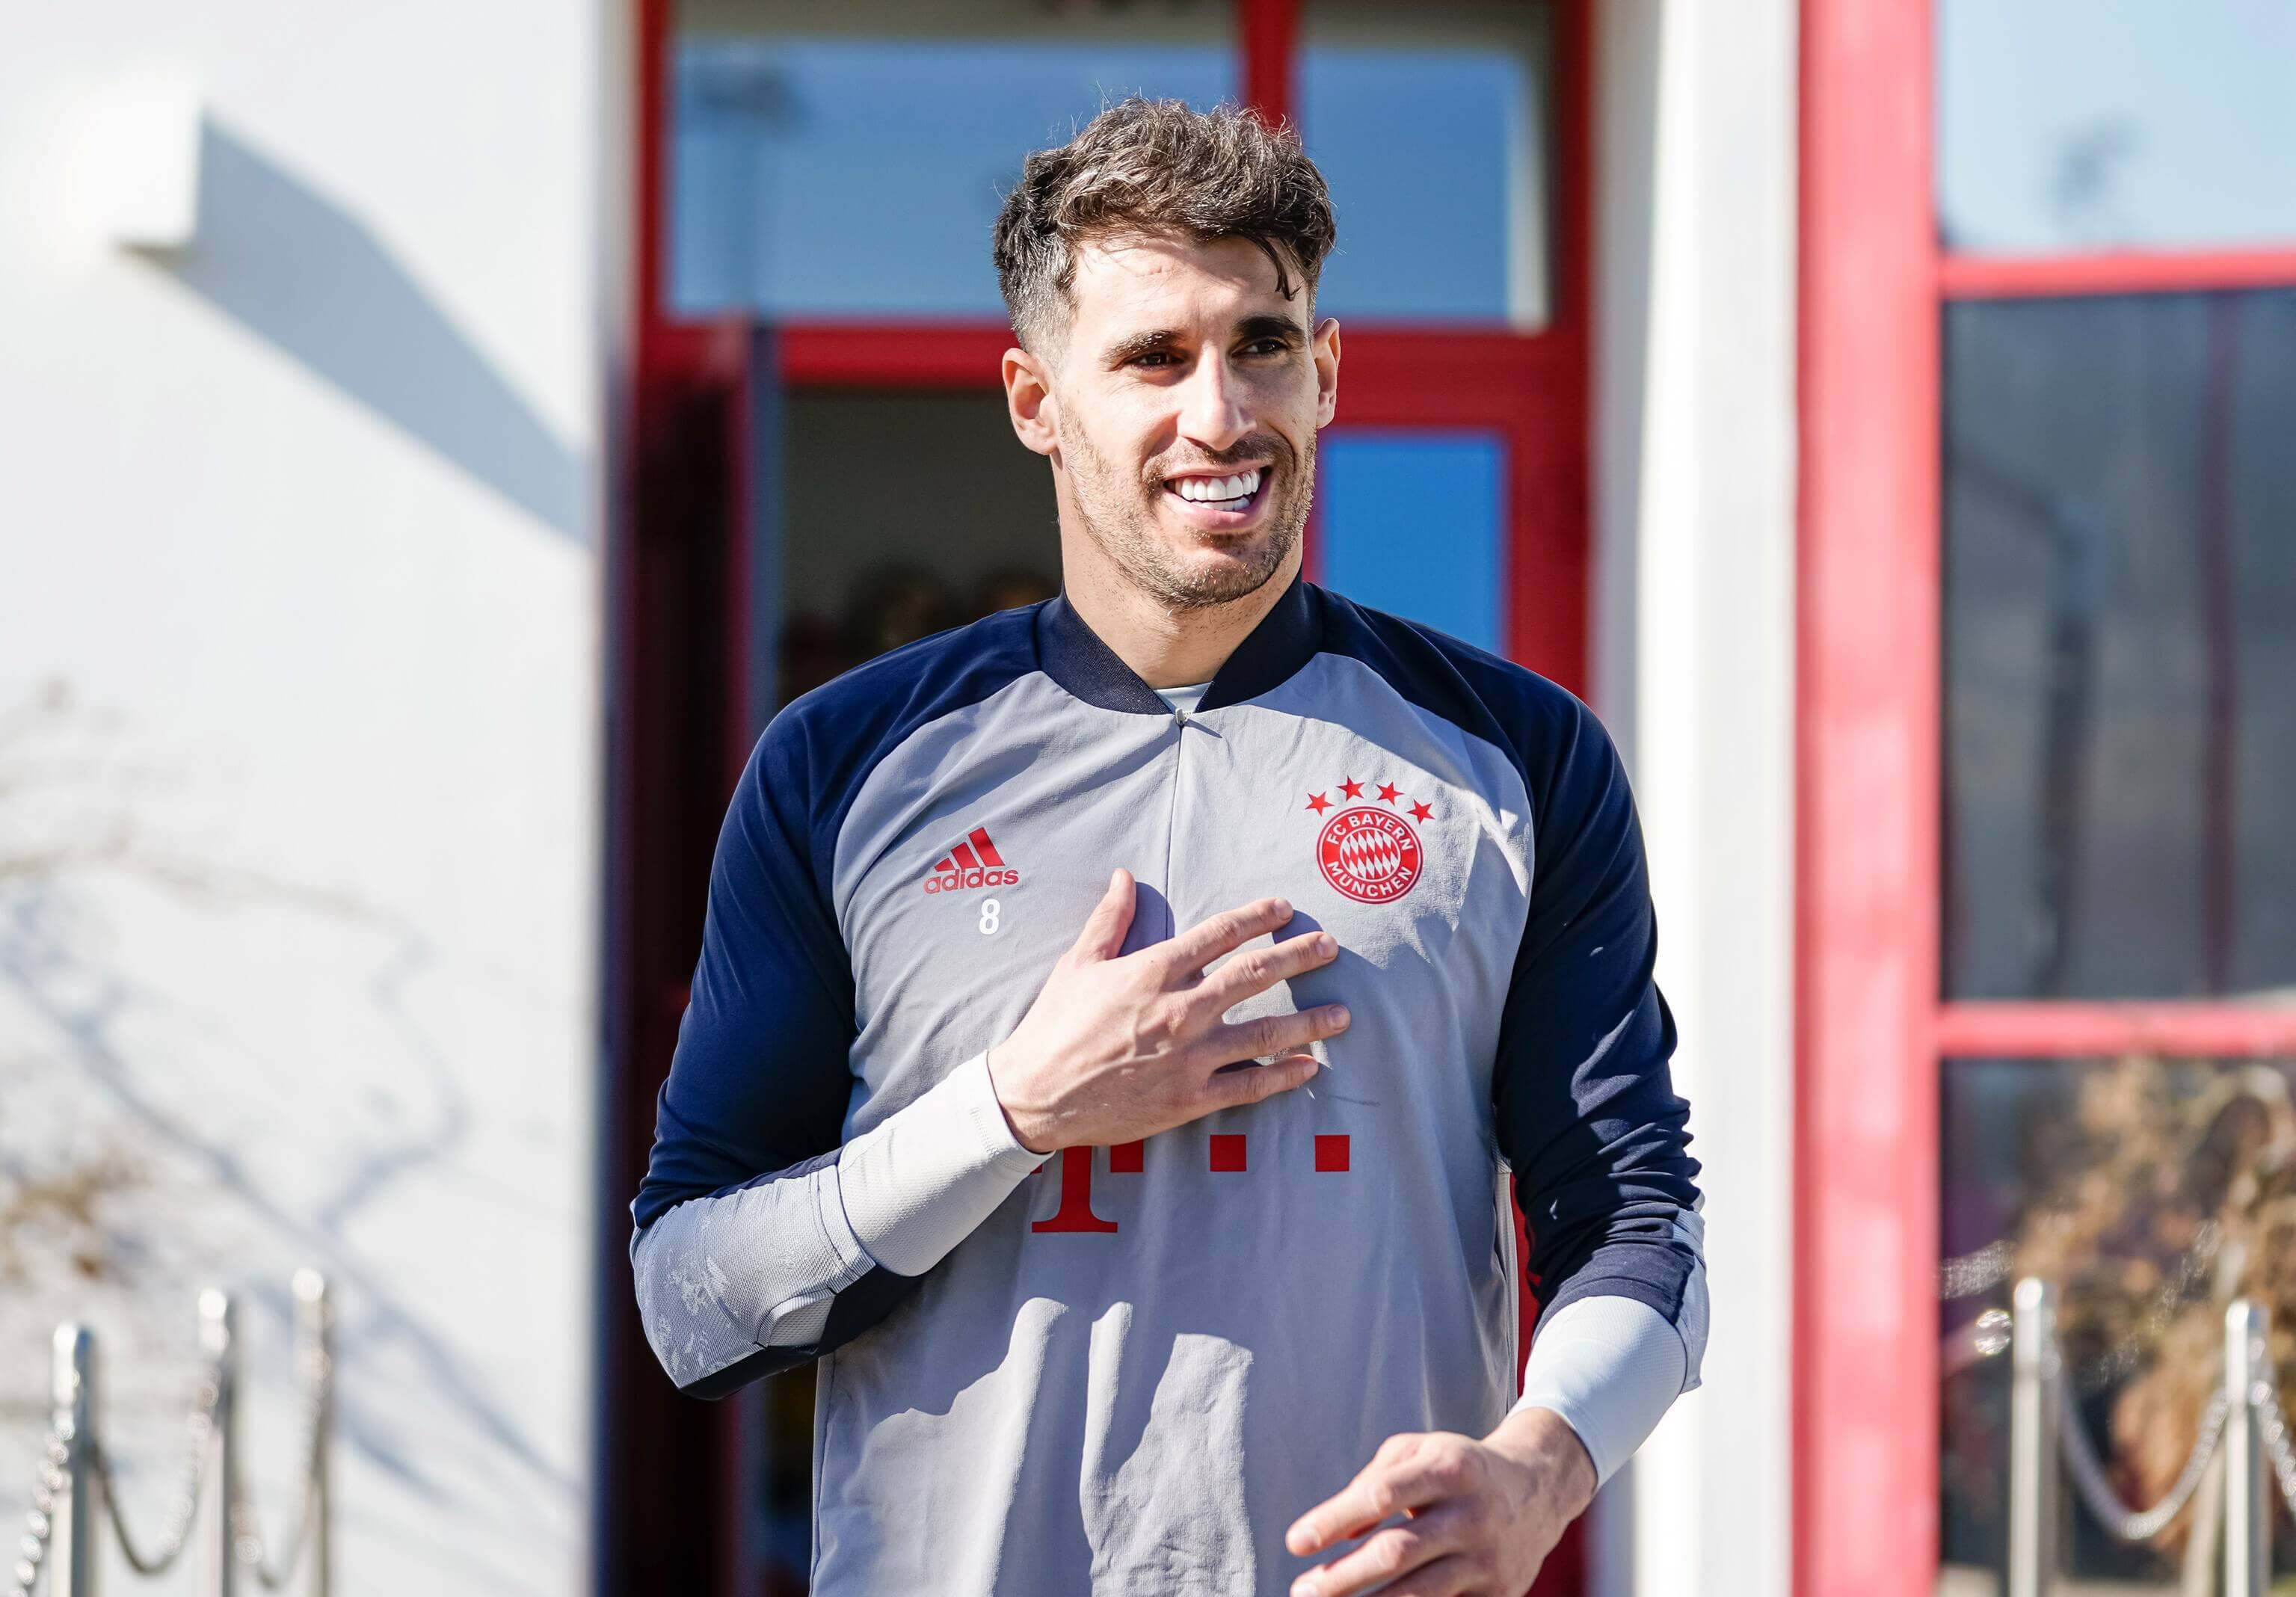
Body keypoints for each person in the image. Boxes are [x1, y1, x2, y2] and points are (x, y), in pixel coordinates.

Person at [630, 96, 1705, 1597]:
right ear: (1035, 400)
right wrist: (1013, 1109)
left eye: (1263, 345)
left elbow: (1639, 1218)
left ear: (1326, 374)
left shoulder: (1520, 761)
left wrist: (1542, 1469)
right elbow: (690, 1299)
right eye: (1153, 357)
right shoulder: (845, 766)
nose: (1221, 413)